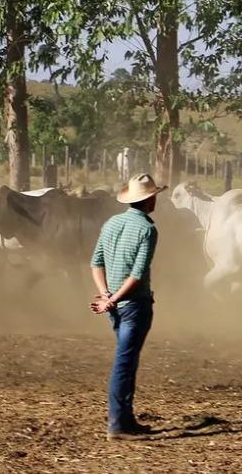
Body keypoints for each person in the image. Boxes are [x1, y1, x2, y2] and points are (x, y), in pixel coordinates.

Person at [90, 173, 164, 441]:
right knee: (124, 362)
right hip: (134, 305)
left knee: (127, 361)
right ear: (150, 199)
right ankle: (118, 425)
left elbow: (96, 262)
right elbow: (137, 274)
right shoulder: (148, 229)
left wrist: (106, 295)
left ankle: (126, 418)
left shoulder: (111, 223)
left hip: (114, 306)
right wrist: (113, 298)